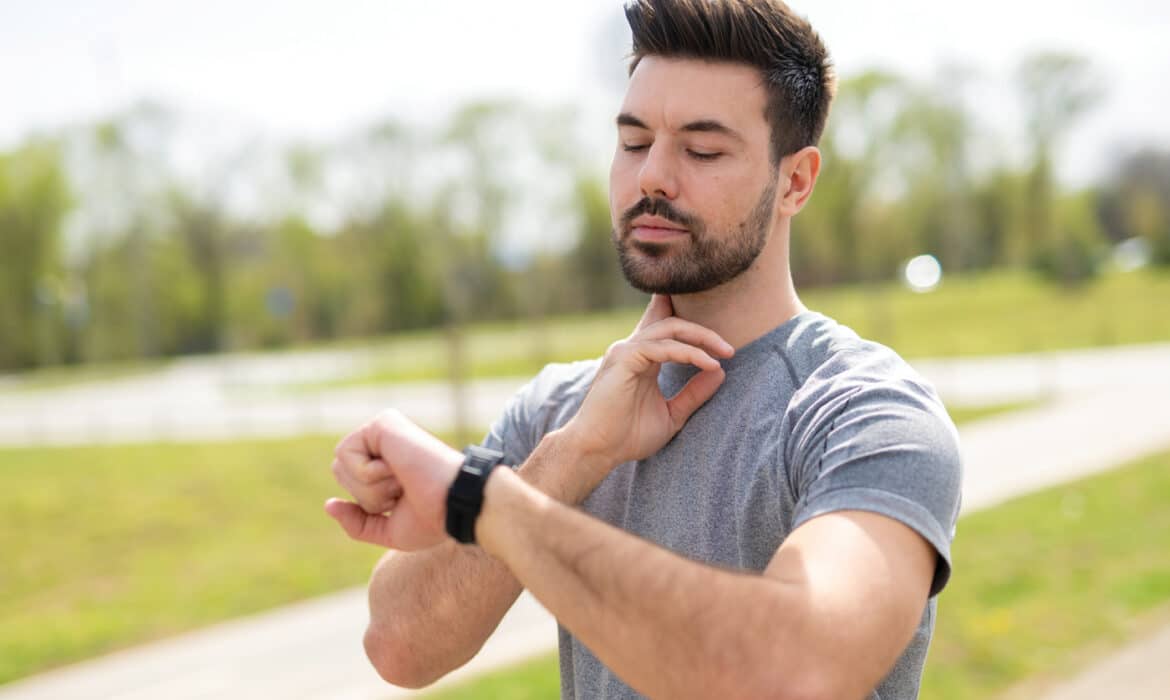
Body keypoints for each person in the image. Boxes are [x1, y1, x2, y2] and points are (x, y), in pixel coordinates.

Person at [324, 1, 963, 698]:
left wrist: (482, 501)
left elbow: (794, 668)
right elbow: (400, 646)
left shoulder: (864, 411)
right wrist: (573, 457)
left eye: (702, 149)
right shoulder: (561, 413)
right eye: (633, 142)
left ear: (796, 181)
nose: (652, 176)